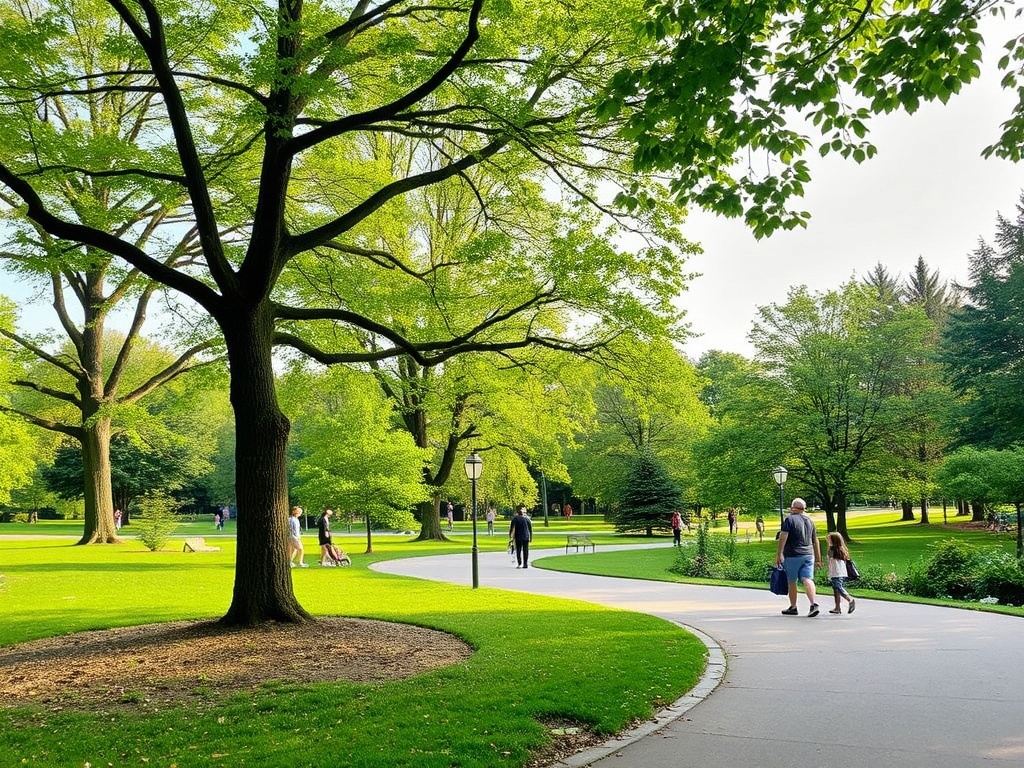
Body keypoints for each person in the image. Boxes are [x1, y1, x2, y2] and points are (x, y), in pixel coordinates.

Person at [775, 497, 821, 617]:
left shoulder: (789, 519)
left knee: (792, 581)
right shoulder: (810, 521)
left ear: (792, 507)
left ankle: (793, 607)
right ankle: (813, 604)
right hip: (808, 555)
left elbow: (783, 536)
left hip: (793, 554)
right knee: (807, 579)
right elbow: (815, 540)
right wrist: (818, 558)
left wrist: (779, 553)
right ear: (804, 509)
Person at [825, 532, 856, 614]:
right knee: (836, 590)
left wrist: (828, 569)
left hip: (836, 572)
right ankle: (837, 608)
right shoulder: (841, 549)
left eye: (829, 539)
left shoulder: (832, 549)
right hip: (840, 572)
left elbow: (829, 561)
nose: (827, 540)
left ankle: (850, 599)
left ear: (833, 540)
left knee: (838, 588)